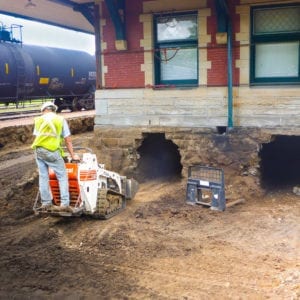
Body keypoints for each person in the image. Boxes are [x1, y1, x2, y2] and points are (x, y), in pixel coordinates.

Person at [31, 101, 79, 212]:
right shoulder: (60, 120)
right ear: (54, 110)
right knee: (62, 176)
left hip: (39, 150)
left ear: (43, 110)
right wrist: (73, 155)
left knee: (43, 176)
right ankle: (65, 204)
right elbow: (68, 140)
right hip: (52, 151)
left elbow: (36, 137)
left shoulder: (39, 120)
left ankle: (46, 203)